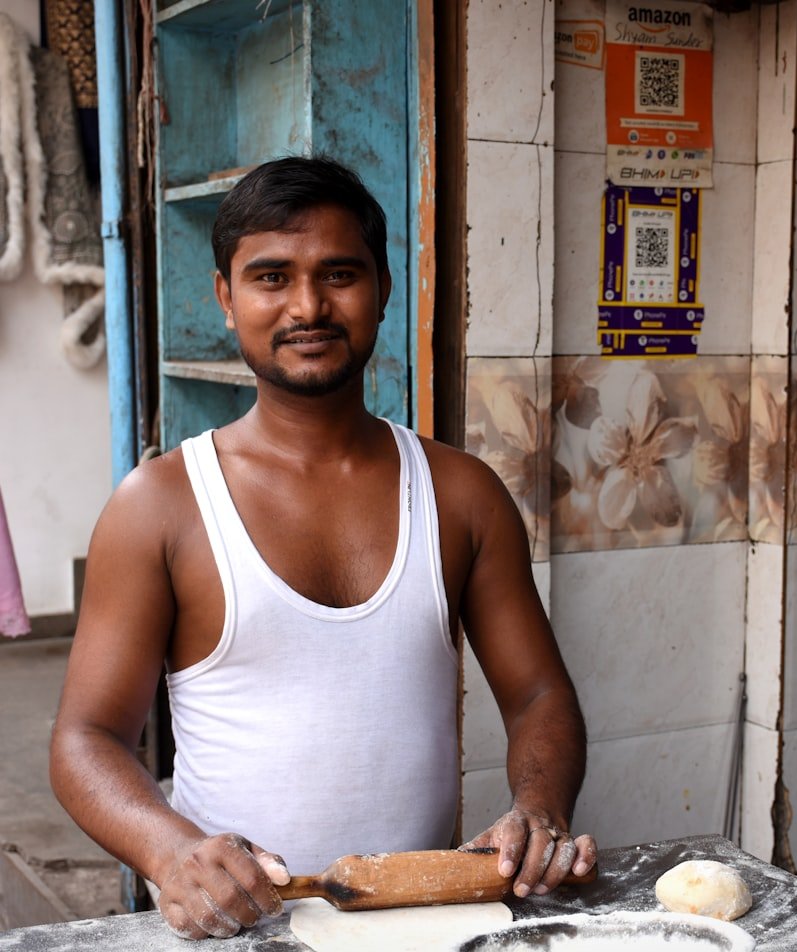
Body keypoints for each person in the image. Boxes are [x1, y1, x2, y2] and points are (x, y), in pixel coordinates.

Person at [49, 155, 597, 940]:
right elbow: (84, 738)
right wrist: (172, 854)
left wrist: (537, 809)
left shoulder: (460, 495)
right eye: (271, 277)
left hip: (422, 922)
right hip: (233, 930)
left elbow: (540, 695)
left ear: (382, 288)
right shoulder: (162, 506)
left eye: (339, 273)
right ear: (225, 300)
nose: (308, 305)